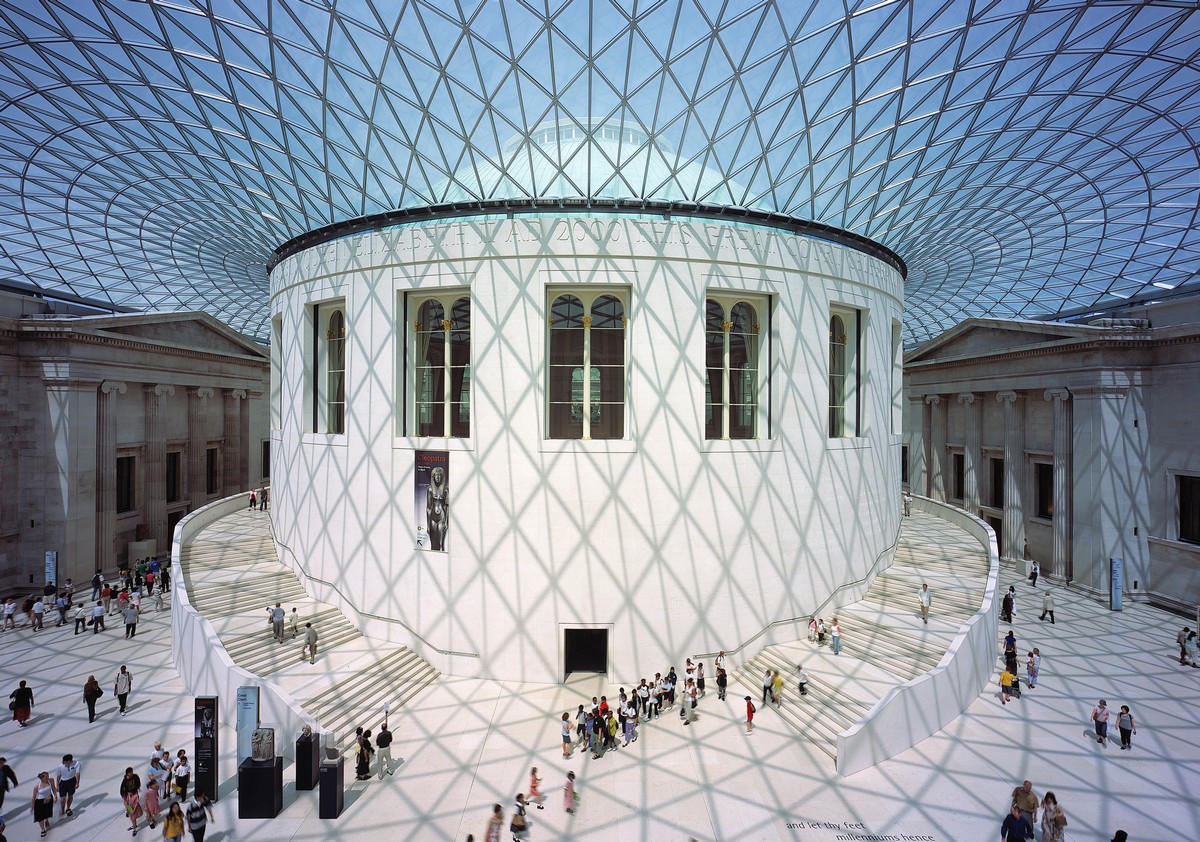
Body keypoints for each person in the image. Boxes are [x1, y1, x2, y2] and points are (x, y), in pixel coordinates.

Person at [31, 770, 57, 837]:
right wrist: (33, 805)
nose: (48, 777)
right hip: (40, 801)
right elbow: (34, 796)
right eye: (46, 777)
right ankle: (42, 829)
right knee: (40, 816)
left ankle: (46, 819)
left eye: (48, 776)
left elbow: (54, 789)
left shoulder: (51, 780)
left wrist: (55, 796)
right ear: (41, 778)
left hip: (49, 799)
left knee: (47, 812)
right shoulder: (37, 786)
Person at [54, 754, 80, 818]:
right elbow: (58, 776)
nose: (63, 762)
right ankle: (62, 809)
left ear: (69, 761)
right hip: (63, 782)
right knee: (63, 798)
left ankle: (68, 808)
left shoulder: (76, 763)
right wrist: (57, 785)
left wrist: (77, 783)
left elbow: (78, 773)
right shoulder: (60, 766)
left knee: (70, 795)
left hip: (72, 781)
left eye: (64, 761)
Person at [119, 767, 143, 836]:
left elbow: (138, 783)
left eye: (132, 772)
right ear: (127, 773)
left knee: (134, 812)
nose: (131, 774)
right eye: (130, 773)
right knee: (132, 814)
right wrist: (127, 794)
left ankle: (134, 826)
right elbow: (122, 789)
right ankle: (134, 827)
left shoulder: (135, 777)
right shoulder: (125, 780)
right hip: (129, 798)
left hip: (134, 796)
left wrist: (136, 789)